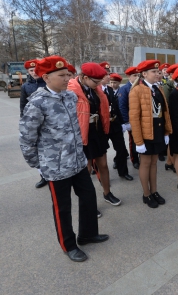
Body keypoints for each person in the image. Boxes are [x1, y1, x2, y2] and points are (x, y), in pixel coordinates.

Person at [19, 55, 108, 262]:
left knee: (88, 197)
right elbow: (26, 137)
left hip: (77, 161)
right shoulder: (37, 103)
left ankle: (87, 234)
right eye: (61, 75)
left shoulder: (69, 96)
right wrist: (37, 164)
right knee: (63, 208)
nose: (66, 78)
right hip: (55, 167)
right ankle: (69, 245)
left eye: (68, 74)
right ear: (46, 77)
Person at [67, 63, 122, 211]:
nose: (99, 85)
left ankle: (107, 192)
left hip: (97, 131)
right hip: (83, 133)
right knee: (87, 169)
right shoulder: (71, 90)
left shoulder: (95, 90)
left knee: (103, 164)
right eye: (96, 82)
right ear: (85, 77)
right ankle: (89, 202)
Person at [129, 60, 172, 208]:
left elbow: (164, 112)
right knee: (146, 163)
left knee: (154, 163)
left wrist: (166, 131)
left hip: (157, 131)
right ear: (144, 74)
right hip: (146, 133)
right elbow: (134, 118)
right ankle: (146, 194)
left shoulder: (157, 88)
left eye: (157, 71)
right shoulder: (137, 90)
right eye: (153, 71)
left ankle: (154, 191)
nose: (157, 73)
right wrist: (139, 142)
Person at [19, 59, 49, 189]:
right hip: (34, 125)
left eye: (36, 69)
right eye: (31, 70)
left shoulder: (47, 82)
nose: (34, 72)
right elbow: (23, 107)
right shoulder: (26, 87)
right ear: (28, 72)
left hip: (48, 123)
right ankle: (43, 176)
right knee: (37, 151)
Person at [102, 72, 133, 181]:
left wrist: (123, 123)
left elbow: (116, 107)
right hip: (102, 127)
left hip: (115, 124)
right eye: (105, 75)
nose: (108, 77)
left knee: (121, 149)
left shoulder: (109, 90)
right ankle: (102, 176)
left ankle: (123, 172)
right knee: (101, 153)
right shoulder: (95, 91)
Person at [118, 66, 140, 169]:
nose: (136, 77)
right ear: (129, 76)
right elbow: (122, 106)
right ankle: (134, 159)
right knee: (134, 141)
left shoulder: (141, 86)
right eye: (134, 75)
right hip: (132, 120)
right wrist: (127, 121)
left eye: (138, 75)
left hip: (141, 119)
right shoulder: (125, 89)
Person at [162, 63, 178, 173]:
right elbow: (167, 105)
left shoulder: (175, 85)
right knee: (173, 142)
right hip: (171, 119)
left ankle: (169, 162)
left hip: (177, 118)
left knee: (174, 142)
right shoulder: (167, 86)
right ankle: (172, 162)